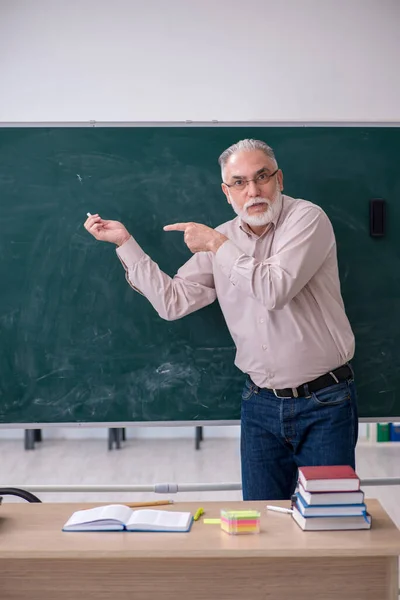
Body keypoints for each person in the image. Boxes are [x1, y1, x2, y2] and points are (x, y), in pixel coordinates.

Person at [84, 138, 358, 501]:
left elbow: (274, 289)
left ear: (280, 180)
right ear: (226, 192)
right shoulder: (224, 237)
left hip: (324, 401)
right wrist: (125, 244)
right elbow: (173, 301)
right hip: (260, 404)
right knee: (260, 522)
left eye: (262, 177)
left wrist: (216, 246)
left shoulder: (306, 219)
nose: (254, 190)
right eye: (240, 182)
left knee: (329, 519)